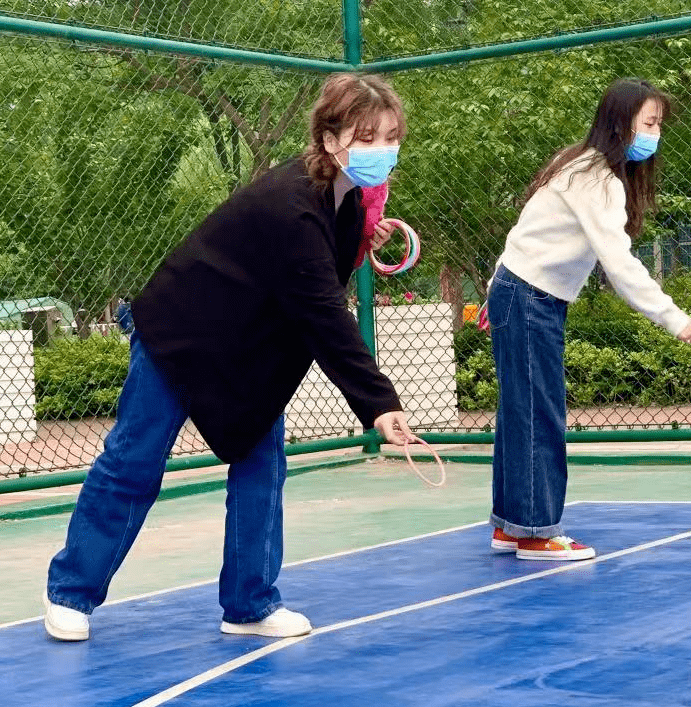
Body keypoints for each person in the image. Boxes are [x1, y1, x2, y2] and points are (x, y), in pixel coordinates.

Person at [44, 73, 417, 642]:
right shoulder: (292, 204)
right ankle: (71, 593)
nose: (381, 150)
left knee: (262, 466)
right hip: (183, 335)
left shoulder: (346, 200)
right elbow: (322, 313)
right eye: (366, 138)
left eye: (390, 137)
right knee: (132, 463)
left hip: (247, 351)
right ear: (329, 137)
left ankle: (249, 604)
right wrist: (378, 403)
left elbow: (314, 284)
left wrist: (361, 242)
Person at [487, 78, 691, 561]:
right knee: (537, 414)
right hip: (527, 297)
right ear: (621, 125)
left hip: (520, 293)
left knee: (521, 411)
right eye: (650, 123)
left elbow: (526, 233)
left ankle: (514, 526)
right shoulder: (596, 178)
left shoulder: (581, 166)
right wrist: (675, 319)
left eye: (659, 124)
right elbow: (619, 264)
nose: (656, 133)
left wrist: (497, 292)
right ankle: (535, 531)